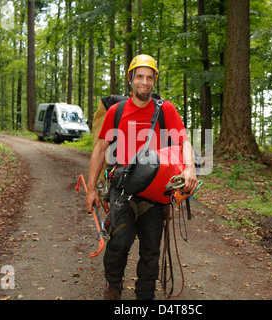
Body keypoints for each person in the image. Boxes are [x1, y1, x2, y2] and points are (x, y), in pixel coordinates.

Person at [86, 54, 198, 300]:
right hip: (122, 189)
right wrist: (91, 188)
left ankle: (145, 295)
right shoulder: (116, 111)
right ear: (130, 79)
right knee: (119, 242)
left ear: (155, 80)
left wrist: (189, 168)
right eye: (139, 76)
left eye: (149, 77)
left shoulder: (165, 109)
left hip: (155, 191)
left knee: (150, 249)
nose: (144, 82)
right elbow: (100, 149)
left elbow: (183, 141)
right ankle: (114, 285)